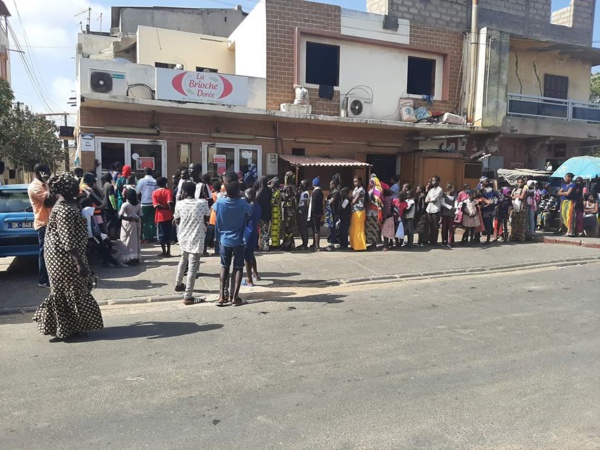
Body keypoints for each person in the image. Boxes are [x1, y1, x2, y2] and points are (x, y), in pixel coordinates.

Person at [33, 173, 103, 340]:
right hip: (63, 257)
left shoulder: (67, 205)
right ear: (68, 189)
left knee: (70, 290)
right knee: (70, 290)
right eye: (74, 185)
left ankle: (72, 326)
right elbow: (67, 240)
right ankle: (67, 329)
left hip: (62, 254)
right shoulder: (65, 209)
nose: (78, 187)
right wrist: (79, 263)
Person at [213, 180, 252, 307]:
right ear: (237, 192)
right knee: (238, 267)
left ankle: (221, 296)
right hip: (239, 240)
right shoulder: (242, 203)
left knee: (224, 266)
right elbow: (250, 211)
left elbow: (214, 210)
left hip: (224, 239)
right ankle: (234, 297)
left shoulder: (219, 202)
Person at [173, 181, 210, 305]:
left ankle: (178, 284)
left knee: (183, 259)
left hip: (183, 236)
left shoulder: (179, 204)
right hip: (197, 237)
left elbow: (177, 220)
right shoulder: (203, 203)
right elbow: (206, 217)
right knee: (193, 267)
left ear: (183, 192)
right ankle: (188, 295)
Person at [28, 163, 56, 288]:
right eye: (47, 172)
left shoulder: (44, 185)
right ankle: (43, 280)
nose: (49, 174)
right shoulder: (35, 187)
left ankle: (52, 278)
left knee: (52, 253)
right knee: (45, 253)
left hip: (50, 222)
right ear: (40, 173)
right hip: (43, 224)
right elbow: (49, 202)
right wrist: (48, 183)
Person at [80, 197, 125, 268]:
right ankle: (113, 261)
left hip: (93, 232)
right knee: (102, 247)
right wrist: (104, 200)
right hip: (92, 234)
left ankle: (106, 261)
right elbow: (100, 208)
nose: (93, 204)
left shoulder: (84, 210)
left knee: (103, 245)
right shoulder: (87, 209)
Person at [243, 188, 262, 286]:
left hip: (247, 233)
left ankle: (249, 279)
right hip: (254, 232)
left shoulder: (249, 207)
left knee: (247, 257)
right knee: (251, 254)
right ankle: (255, 274)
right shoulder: (258, 206)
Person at [119, 187, 142, 265]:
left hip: (128, 224)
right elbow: (141, 215)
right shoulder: (138, 204)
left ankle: (128, 258)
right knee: (135, 241)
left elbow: (120, 216)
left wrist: (129, 218)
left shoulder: (125, 205)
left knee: (126, 241)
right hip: (137, 223)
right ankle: (135, 258)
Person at [152, 177, 174, 257]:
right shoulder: (168, 191)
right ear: (165, 183)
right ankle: (168, 251)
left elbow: (156, 205)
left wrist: (163, 207)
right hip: (168, 215)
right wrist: (171, 211)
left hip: (159, 216)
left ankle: (163, 251)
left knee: (161, 234)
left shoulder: (154, 193)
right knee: (168, 234)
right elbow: (170, 202)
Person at [136, 167, 158, 242]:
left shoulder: (142, 181)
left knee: (144, 221)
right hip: (153, 203)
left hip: (145, 203)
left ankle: (146, 237)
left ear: (144, 173)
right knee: (152, 220)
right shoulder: (155, 181)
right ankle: (152, 236)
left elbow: (137, 191)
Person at [479, 177, 499, 244]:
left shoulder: (491, 190)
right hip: (480, 209)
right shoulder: (479, 189)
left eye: (487, 181)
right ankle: (476, 238)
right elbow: (476, 196)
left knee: (488, 224)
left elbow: (498, 196)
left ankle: (488, 238)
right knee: (480, 223)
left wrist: (494, 202)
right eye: (485, 181)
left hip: (489, 209)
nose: (487, 182)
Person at [281, 172, 297, 251]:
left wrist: (281, 193)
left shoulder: (288, 187)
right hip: (293, 210)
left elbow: (285, 197)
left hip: (288, 210)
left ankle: (287, 245)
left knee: (287, 227)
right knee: (291, 227)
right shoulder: (294, 187)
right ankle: (291, 244)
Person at [349, 176, 367, 251]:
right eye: (354, 181)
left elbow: (354, 201)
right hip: (354, 211)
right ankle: (353, 244)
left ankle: (359, 246)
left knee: (358, 229)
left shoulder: (361, 190)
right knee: (353, 228)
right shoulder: (355, 189)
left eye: (356, 181)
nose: (355, 183)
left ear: (360, 181)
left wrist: (351, 200)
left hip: (359, 211)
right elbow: (351, 198)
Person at [424, 176, 443, 245]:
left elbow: (434, 199)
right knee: (429, 225)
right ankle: (428, 239)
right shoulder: (431, 190)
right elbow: (426, 199)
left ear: (438, 181)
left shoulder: (440, 189)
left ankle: (434, 241)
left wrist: (430, 200)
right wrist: (430, 200)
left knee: (434, 225)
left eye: (434, 180)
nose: (433, 182)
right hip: (429, 209)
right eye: (432, 181)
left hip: (436, 209)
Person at [557, 172, 577, 237]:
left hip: (570, 202)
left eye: (566, 177)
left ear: (569, 178)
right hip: (563, 202)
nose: (565, 179)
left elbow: (568, 193)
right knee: (563, 215)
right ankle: (567, 229)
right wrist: (564, 193)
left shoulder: (572, 185)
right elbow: (558, 192)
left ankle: (570, 231)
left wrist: (563, 192)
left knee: (569, 216)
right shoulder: (564, 185)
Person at [100, 173, 119, 240]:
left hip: (104, 206)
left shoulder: (105, 185)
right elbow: (111, 197)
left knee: (107, 221)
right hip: (109, 207)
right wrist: (114, 207)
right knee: (110, 221)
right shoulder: (110, 186)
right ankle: (109, 236)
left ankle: (108, 236)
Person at [366, 176, 383, 249]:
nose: (370, 183)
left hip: (375, 211)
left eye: (371, 182)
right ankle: (372, 243)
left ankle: (374, 244)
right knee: (370, 228)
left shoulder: (377, 190)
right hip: (370, 211)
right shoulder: (370, 189)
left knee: (374, 228)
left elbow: (377, 201)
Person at [256, 176, 272, 251]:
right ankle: (265, 245)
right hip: (268, 210)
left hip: (261, 211)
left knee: (262, 230)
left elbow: (257, 199)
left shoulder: (260, 191)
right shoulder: (269, 190)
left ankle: (263, 245)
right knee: (266, 229)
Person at [324, 177, 341, 251]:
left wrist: (327, 201)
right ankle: (331, 242)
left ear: (333, 185)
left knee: (333, 228)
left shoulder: (336, 193)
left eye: (330, 184)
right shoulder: (331, 193)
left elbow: (330, 202)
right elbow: (326, 201)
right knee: (331, 228)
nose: (329, 185)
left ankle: (333, 243)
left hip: (335, 213)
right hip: (330, 213)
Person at [510, 177, 528, 242]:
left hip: (521, 208)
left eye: (521, 182)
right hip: (514, 208)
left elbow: (522, 197)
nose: (520, 184)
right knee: (514, 222)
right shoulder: (514, 189)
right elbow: (511, 196)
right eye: (519, 182)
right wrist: (516, 196)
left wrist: (515, 197)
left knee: (520, 223)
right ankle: (513, 236)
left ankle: (521, 237)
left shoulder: (524, 189)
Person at [381, 187, 399, 251]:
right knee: (390, 231)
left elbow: (387, 209)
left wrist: (384, 217)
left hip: (387, 217)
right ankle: (390, 243)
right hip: (391, 216)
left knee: (385, 232)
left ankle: (386, 246)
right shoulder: (391, 199)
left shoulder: (386, 199)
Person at [309, 177, 324, 251]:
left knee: (316, 229)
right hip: (319, 212)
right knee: (315, 228)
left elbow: (314, 205)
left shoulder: (315, 193)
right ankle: (314, 244)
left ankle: (317, 246)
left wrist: (312, 213)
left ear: (313, 184)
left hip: (315, 213)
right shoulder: (320, 192)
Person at [297, 179, 310, 251]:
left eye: (302, 184)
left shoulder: (305, 193)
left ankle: (305, 244)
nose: (301, 185)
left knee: (304, 229)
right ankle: (303, 243)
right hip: (300, 212)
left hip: (303, 213)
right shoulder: (302, 192)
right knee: (301, 229)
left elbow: (305, 204)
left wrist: (302, 212)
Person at [270, 178, 282, 249]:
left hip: (276, 211)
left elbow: (272, 202)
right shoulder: (276, 191)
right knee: (274, 228)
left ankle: (275, 245)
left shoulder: (277, 192)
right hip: (275, 211)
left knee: (275, 227)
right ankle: (275, 243)